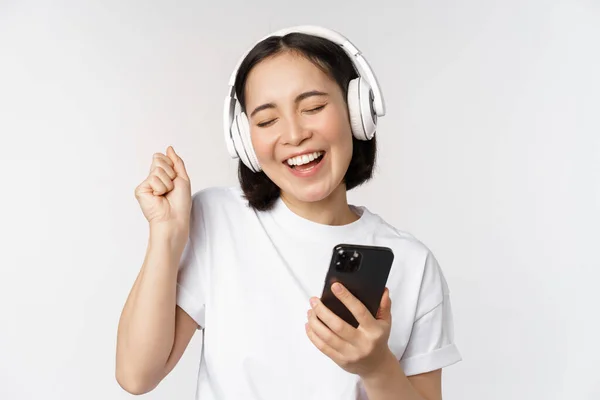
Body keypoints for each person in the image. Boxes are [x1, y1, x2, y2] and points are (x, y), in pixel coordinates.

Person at [116, 26, 461, 400]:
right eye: (266, 121)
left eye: (313, 108)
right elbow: (137, 376)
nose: (294, 134)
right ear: (245, 140)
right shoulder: (217, 220)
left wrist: (376, 368)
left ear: (356, 111)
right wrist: (166, 235)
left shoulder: (414, 263)